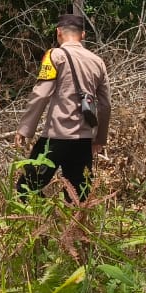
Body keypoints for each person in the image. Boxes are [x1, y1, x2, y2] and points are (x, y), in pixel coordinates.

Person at [14, 12, 111, 204]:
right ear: (83, 35)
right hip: (83, 141)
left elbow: (41, 94)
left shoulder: (54, 55)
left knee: (27, 189)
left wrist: (25, 129)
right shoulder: (97, 61)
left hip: (55, 138)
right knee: (78, 199)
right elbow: (105, 105)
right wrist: (99, 139)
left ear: (58, 32)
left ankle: (36, 230)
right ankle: (73, 233)